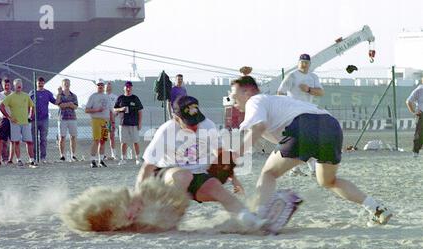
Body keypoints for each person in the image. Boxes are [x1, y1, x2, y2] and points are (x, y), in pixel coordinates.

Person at [230, 75, 392, 225]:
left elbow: (259, 127)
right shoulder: (278, 101)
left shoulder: (255, 100)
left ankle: (260, 217)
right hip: (331, 126)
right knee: (328, 181)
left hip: (304, 126)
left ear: (247, 92)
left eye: (234, 94)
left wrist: (235, 155)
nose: (232, 99)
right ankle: (376, 208)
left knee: (268, 173)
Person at [135, 95, 293, 233]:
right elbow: (147, 168)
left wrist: (233, 178)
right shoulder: (165, 131)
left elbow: (221, 154)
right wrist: (136, 200)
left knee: (219, 190)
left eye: (196, 121)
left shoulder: (207, 125)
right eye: (189, 123)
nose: (195, 126)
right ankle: (167, 221)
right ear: (176, 118)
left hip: (197, 175)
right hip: (168, 178)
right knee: (184, 175)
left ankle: (253, 223)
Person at [278, 53, 324, 177]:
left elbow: (320, 92)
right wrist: (284, 109)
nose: (304, 64)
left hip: (308, 112)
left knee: (308, 140)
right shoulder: (292, 76)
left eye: (306, 62)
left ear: (310, 64)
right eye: (302, 62)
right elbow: (280, 92)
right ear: (298, 63)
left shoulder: (313, 77)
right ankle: (298, 169)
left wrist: (308, 89)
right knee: (296, 140)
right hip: (294, 113)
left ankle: (308, 169)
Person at [0, 79, 37, 167]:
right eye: (17, 84)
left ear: (22, 85)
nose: (19, 86)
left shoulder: (26, 96)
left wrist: (30, 116)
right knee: (16, 142)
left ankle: (31, 160)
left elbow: (32, 106)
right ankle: (19, 160)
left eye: (20, 84)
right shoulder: (10, 96)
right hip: (15, 123)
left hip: (25, 122)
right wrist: (9, 117)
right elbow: (1, 106)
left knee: (29, 141)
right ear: (14, 86)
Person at [85, 81, 113, 168]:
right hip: (96, 120)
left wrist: (112, 122)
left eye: (102, 85)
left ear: (104, 86)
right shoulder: (93, 96)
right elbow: (86, 110)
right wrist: (97, 110)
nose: (100, 86)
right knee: (96, 140)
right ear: (96, 86)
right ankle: (93, 160)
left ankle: (101, 160)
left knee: (103, 141)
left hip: (106, 120)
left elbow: (110, 110)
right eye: (99, 85)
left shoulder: (107, 97)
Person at [114, 81, 143, 165]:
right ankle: (123, 158)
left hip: (134, 123)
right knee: (123, 142)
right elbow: (115, 109)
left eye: (130, 87)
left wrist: (140, 123)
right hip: (123, 123)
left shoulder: (135, 98)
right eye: (127, 87)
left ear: (132, 88)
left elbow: (140, 111)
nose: (128, 88)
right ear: (124, 88)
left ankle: (137, 158)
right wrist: (121, 109)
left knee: (136, 141)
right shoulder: (120, 98)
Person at [29, 77, 56, 163]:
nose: (40, 84)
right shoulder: (32, 93)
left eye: (42, 83)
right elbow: (27, 104)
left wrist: (59, 93)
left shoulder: (47, 93)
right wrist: (29, 115)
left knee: (43, 139)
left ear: (44, 83)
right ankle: (34, 158)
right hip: (34, 119)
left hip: (44, 119)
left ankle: (43, 157)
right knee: (33, 139)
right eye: (39, 83)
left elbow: (55, 102)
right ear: (36, 83)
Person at [55, 79, 79, 162]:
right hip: (62, 118)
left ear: (70, 84)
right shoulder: (60, 95)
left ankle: (73, 155)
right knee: (62, 137)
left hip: (72, 118)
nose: (67, 85)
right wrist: (69, 104)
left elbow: (75, 106)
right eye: (65, 83)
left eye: (68, 83)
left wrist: (66, 105)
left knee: (73, 136)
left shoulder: (74, 95)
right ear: (62, 85)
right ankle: (62, 155)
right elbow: (58, 103)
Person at [0, 78, 13, 165]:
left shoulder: (14, 94)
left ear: (10, 85)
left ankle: (10, 159)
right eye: (5, 85)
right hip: (3, 119)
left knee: (13, 140)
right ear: (2, 85)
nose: (7, 87)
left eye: (8, 85)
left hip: (13, 119)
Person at [405, 77, 423, 158]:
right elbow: (409, 101)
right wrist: (413, 112)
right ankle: (415, 152)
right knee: (419, 134)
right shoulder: (419, 90)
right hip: (421, 114)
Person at [105, 82, 119, 160]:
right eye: (107, 87)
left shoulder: (115, 97)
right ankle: (102, 154)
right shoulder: (101, 96)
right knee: (102, 137)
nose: (108, 88)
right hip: (103, 120)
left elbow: (117, 108)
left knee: (112, 137)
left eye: (109, 87)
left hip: (111, 120)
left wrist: (115, 114)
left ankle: (113, 154)